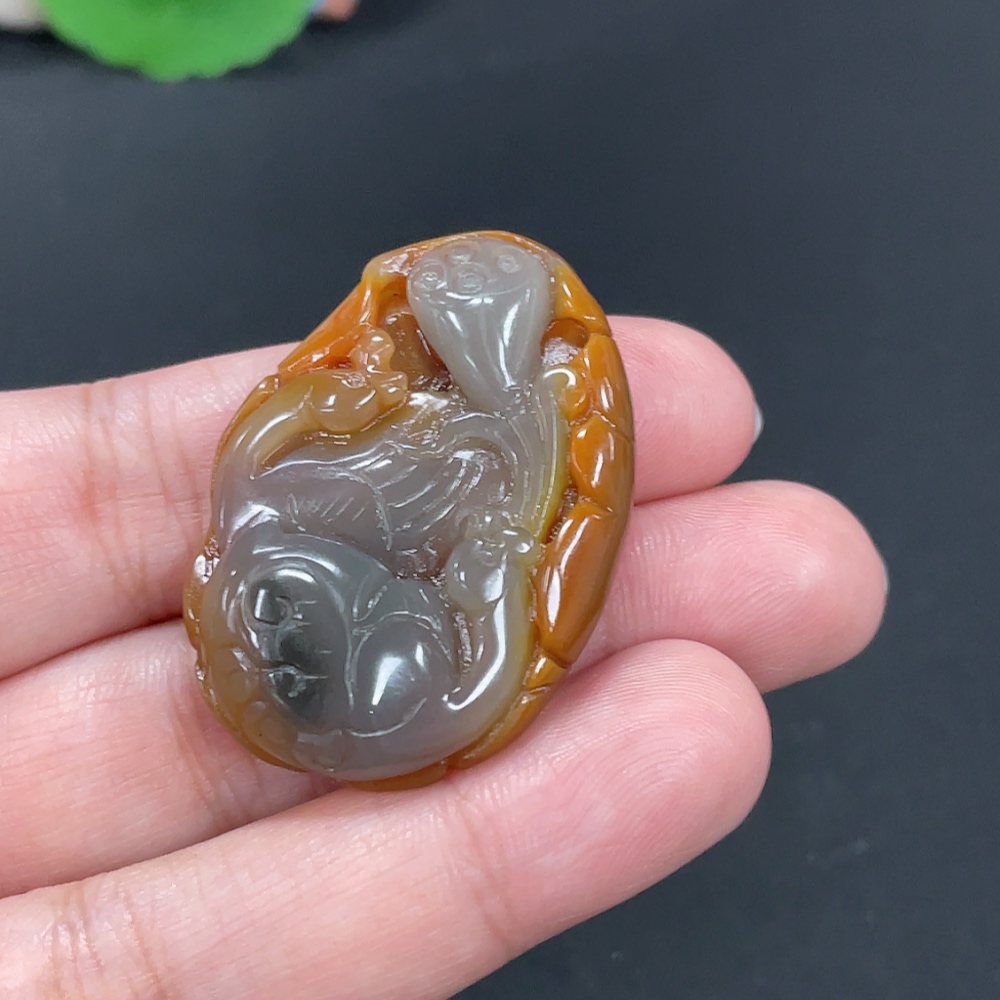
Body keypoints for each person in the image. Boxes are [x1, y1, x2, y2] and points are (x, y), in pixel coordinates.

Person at [0, 315, 886, 996]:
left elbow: (480, 591)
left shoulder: (358, 521)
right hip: (357, 613)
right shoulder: (337, 527)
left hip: (370, 611)